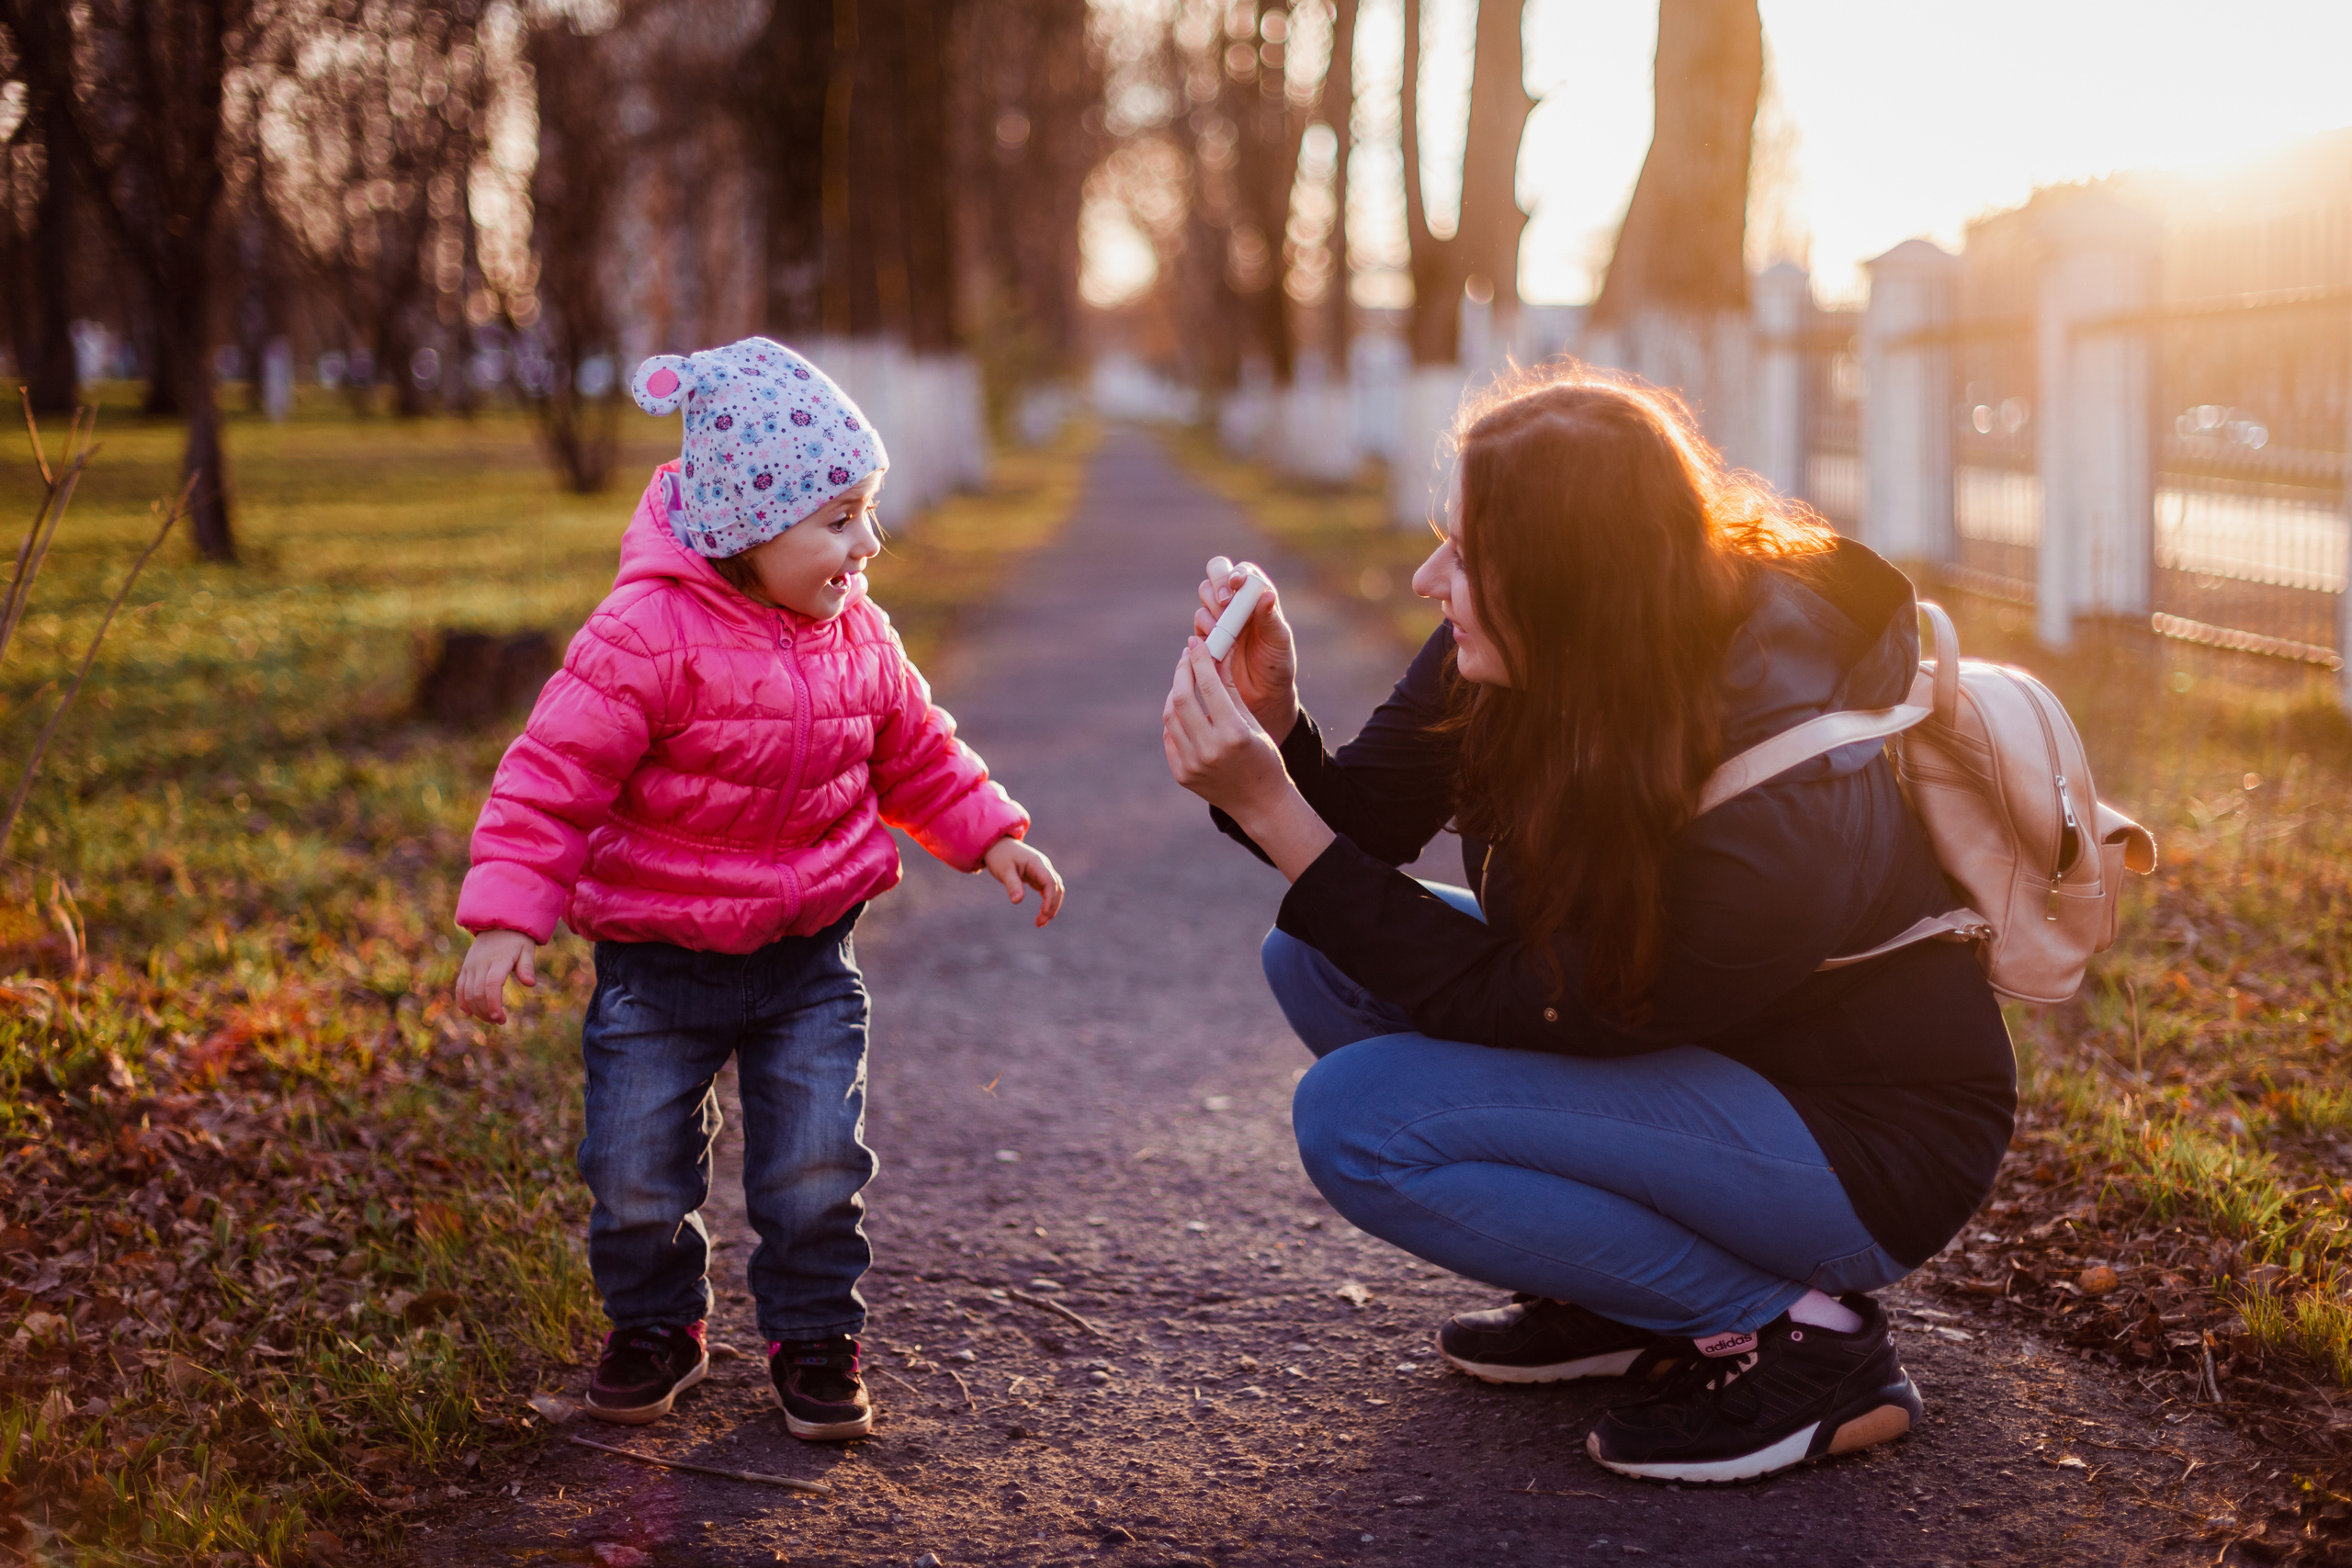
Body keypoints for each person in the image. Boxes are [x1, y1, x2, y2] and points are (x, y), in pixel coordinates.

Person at [1161, 367, 2012, 1484]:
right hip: (1694, 1047)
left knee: (1358, 1123)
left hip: (1853, 1143)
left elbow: (1546, 1007)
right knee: (1317, 953)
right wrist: (1276, 731)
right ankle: (1628, 1296)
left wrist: (1266, 806)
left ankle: (1803, 1338)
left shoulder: (1786, 792)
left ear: (1573, 578)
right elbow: (1366, 831)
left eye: (1464, 555)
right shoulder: (1543, 643)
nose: (1429, 578)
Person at [453, 338, 1063, 1439]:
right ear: (743, 529)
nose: (866, 543)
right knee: (636, 1170)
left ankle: (816, 1334)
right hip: (657, 965)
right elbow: (552, 778)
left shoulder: (860, 636)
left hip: (806, 963)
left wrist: (989, 836)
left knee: (815, 1164)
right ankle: (654, 1324)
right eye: (838, 520)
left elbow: (917, 754)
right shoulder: (644, 637)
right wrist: (506, 915)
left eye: (867, 510)